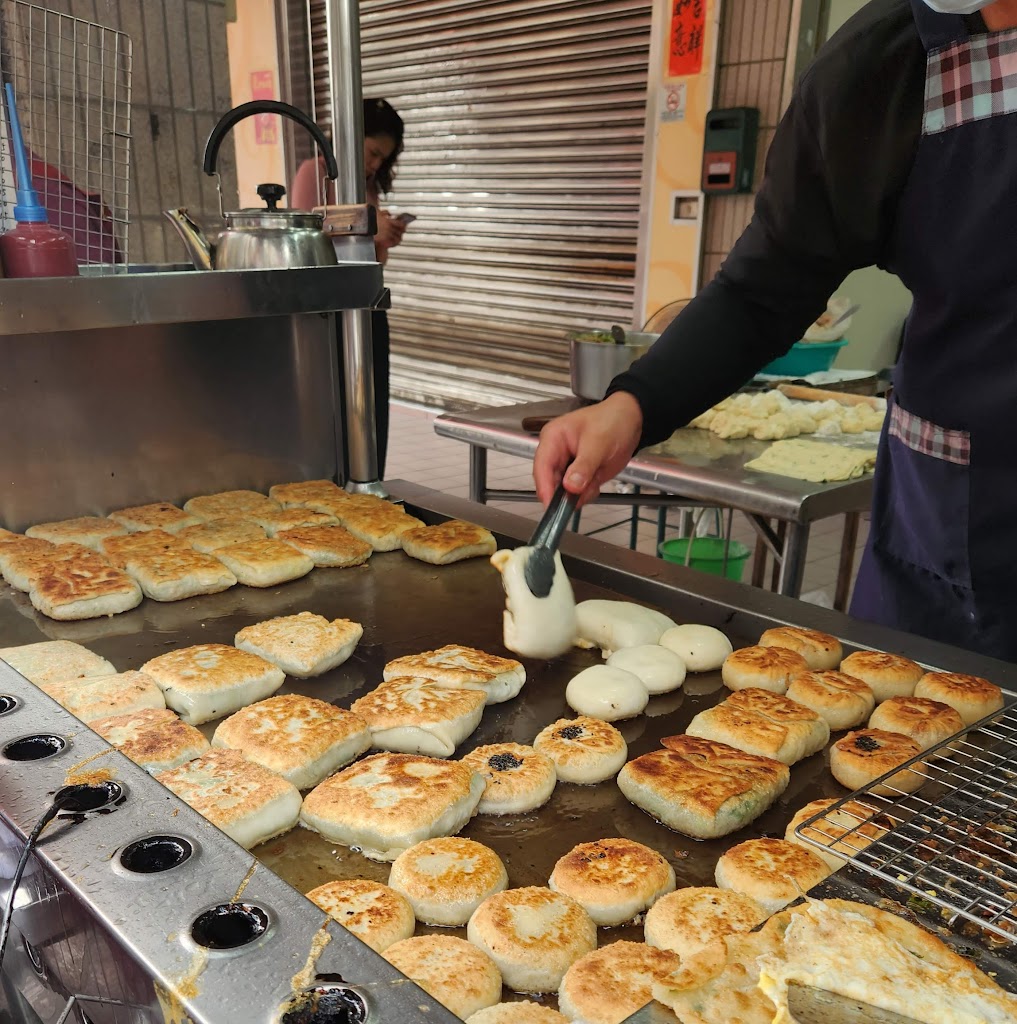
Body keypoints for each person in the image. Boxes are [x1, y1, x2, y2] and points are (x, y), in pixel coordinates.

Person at [534, 0, 1017, 661]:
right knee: (918, 711)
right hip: (955, 517)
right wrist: (633, 404)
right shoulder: (881, 67)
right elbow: (767, 284)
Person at [291, 98, 407, 478]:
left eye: (382, 159)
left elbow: (372, 263)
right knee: (336, 416)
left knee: (372, 413)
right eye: (372, 152)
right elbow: (306, 240)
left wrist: (383, 238)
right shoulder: (314, 173)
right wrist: (370, 229)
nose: (375, 164)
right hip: (329, 315)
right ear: (352, 136)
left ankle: (371, 487)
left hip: (368, 308)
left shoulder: (366, 185)